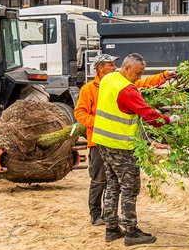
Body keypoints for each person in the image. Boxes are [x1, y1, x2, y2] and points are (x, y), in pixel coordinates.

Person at [74, 53, 176, 226]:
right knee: (104, 180)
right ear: (100, 68)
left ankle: (110, 221)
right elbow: (79, 113)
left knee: (112, 183)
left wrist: (165, 76)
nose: (114, 67)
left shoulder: (112, 81)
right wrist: (99, 123)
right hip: (105, 141)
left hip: (106, 139)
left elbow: (144, 83)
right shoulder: (91, 89)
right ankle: (99, 215)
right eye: (110, 65)